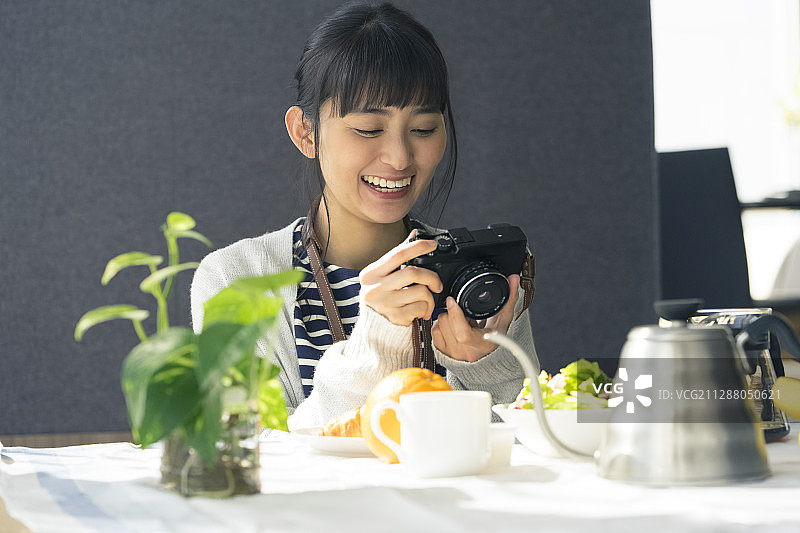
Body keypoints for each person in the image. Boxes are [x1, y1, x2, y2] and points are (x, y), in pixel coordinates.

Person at [190, 1, 534, 430]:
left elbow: (530, 449)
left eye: (424, 129)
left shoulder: (475, 276)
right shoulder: (234, 279)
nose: (399, 157)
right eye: (369, 129)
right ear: (305, 133)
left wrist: (485, 365)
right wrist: (377, 342)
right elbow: (256, 456)